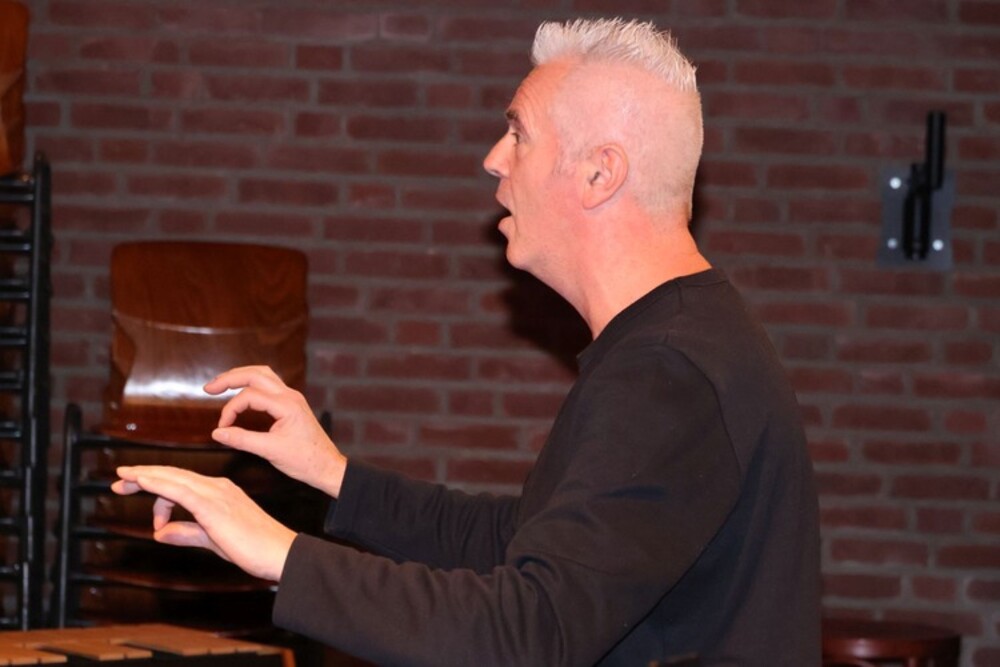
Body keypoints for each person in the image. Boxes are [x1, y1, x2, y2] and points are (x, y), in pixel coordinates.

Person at [113, 17, 821, 666]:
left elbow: (524, 632)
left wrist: (282, 554)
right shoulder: (679, 342)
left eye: (519, 134)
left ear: (599, 173)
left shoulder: (669, 371)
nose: (493, 159)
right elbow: (516, 542)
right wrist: (334, 475)